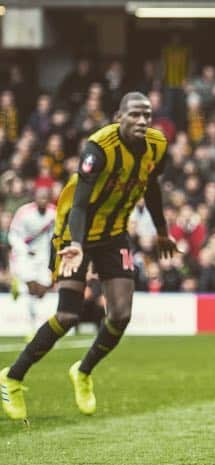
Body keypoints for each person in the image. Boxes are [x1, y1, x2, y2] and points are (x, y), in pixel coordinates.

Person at [1, 92, 179, 421]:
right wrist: (78, 245)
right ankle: (12, 377)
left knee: (121, 315)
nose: (142, 122)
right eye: (135, 115)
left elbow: (151, 186)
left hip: (114, 235)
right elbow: (80, 203)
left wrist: (162, 230)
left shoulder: (157, 146)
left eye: (147, 116)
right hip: (75, 233)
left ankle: (83, 371)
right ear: (119, 117)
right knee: (67, 316)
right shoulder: (98, 148)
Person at [8, 187, 56, 332]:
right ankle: (32, 326)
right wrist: (24, 250)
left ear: (49, 199)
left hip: (43, 256)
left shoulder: (54, 213)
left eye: (45, 197)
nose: (42, 200)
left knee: (42, 291)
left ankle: (19, 284)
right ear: (35, 198)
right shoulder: (24, 213)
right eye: (40, 197)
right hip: (25, 255)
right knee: (32, 289)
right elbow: (13, 234)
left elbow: (55, 233)